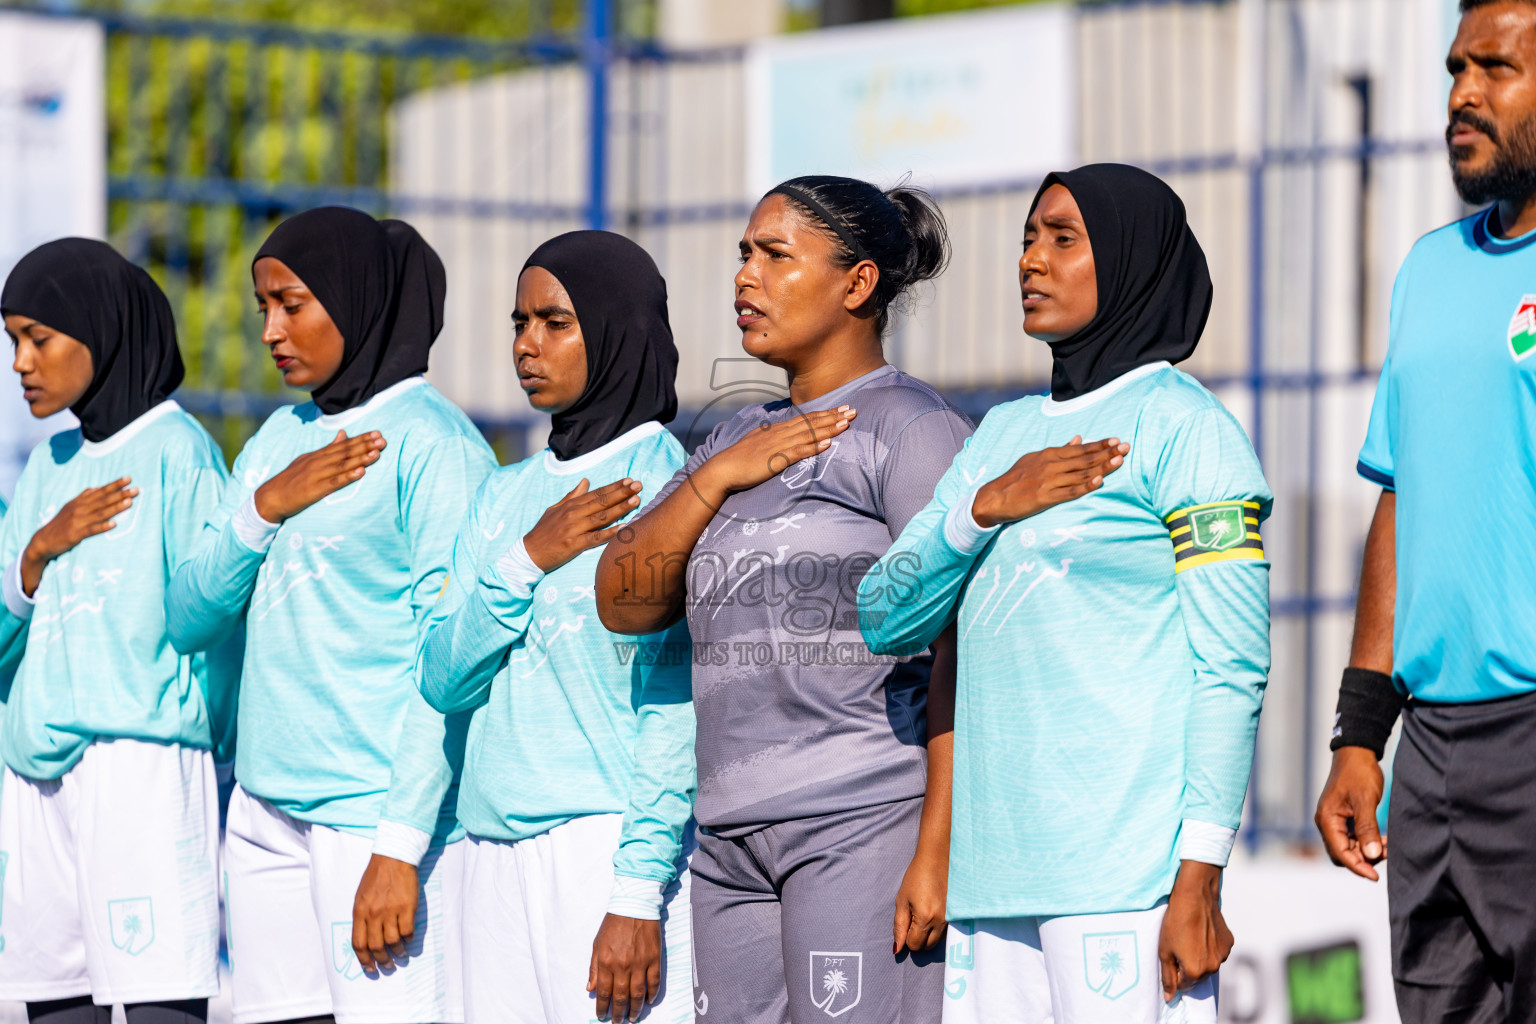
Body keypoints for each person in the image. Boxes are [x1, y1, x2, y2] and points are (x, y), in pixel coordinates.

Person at [859, 164, 1272, 1024]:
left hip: (1125, 882)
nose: (1031, 261)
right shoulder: (1001, 438)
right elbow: (885, 613)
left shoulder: (1186, 430)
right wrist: (982, 508)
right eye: (1026, 238)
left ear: (1128, 261)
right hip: (991, 880)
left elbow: (1230, 669)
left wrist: (1201, 871)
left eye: (1063, 239)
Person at [594, 175, 966, 1024]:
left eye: (774, 256)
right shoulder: (731, 436)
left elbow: (959, 644)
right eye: (742, 255)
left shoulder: (910, 429)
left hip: (861, 818)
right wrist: (721, 474)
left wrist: (937, 847)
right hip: (726, 840)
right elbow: (623, 600)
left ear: (858, 284)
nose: (744, 278)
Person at [165, 207, 495, 1024]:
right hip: (266, 810)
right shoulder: (279, 439)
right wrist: (265, 508)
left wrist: (398, 846)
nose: (273, 330)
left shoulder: (434, 444)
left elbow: (450, 664)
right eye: (263, 308)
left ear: (355, 299)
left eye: (293, 304)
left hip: (372, 818)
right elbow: (187, 615)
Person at [1314, 3, 1536, 1020]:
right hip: (1432, 750)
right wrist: (1361, 735)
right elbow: (1404, 497)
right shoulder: (1428, 269)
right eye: (1456, 67)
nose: (1463, 93)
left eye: (1497, 67)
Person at [417, 230, 694, 1024]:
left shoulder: (669, 484)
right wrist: (527, 558)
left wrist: (638, 894)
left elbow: (675, 709)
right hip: (488, 856)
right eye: (518, 322)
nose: (527, 345)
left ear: (616, 329)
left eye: (555, 322)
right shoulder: (503, 497)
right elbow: (443, 676)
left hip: (605, 854)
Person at [0, 239, 235, 1024]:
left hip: (140, 763)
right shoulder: (49, 463)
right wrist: (36, 553)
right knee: (55, 1003)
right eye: (12, 343)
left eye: (39, 338)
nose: (21, 363)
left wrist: (209, 743)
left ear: (99, 330)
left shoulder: (179, 451)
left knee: (157, 996)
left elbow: (216, 623)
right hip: (37, 772)